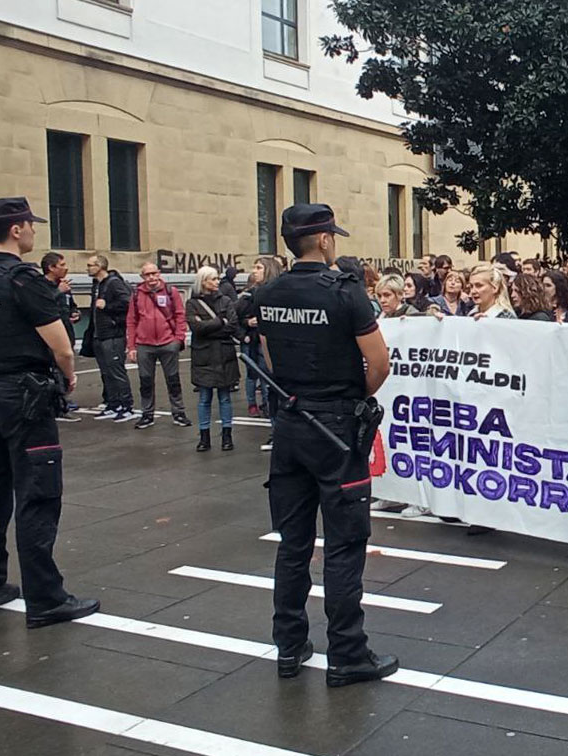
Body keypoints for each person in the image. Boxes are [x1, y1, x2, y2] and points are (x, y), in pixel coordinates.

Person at [254, 202, 397, 686]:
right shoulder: (345, 292)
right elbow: (379, 363)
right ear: (324, 240)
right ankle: (347, 654)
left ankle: (289, 646)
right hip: (336, 429)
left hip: (291, 423)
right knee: (344, 545)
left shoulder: (268, 291)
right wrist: (354, 396)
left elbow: (272, 360)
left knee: (293, 544)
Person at [0, 197, 100, 627]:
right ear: (16, 230)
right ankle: (45, 598)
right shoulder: (22, 279)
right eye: (30, 225)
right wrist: (68, 377)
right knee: (38, 491)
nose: (35, 231)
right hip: (25, 394)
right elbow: (61, 346)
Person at [127, 262, 191, 430]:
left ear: (159, 273)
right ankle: (147, 414)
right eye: (147, 275)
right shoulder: (136, 295)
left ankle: (179, 412)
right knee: (145, 381)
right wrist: (131, 347)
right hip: (144, 344)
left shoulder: (171, 291)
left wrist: (178, 339)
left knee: (173, 380)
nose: (151, 278)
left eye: (154, 273)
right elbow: (132, 321)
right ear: (142, 277)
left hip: (168, 342)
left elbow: (180, 315)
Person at [186, 266, 240, 452]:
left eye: (217, 278)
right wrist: (219, 322)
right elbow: (196, 328)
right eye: (213, 279)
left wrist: (208, 327)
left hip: (224, 354)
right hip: (204, 356)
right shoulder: (192, 303)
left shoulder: (225, 300)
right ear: (203, 281)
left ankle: (227, 436)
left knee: (225, 398)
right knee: (204, 398)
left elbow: (232, 325)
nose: (217, 282)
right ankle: (204, 437)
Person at [86, 254, 135, 422]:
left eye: (90, 265)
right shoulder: (97, 284)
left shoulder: (114, 283)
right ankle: (113, 404)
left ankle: (127, 406)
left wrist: (108, 306)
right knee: (106, 372)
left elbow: (127, 303)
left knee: (116, 371)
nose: (88, 268)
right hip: (99, 334)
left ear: (100, 266)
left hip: (113, 334)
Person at [236, 256, 282, 417]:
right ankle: (263, 408)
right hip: (256, 342)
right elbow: (236, 316)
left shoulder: (279, 293)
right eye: (254, 267)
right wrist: (247, 324)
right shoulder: (250, 294)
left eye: (258, 268)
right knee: (258, 376)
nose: (254, 271)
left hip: (275, 343)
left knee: (271, 380)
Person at [41, 253, 81, 422]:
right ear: (51, 268)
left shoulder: (64, 285)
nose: (66, 268)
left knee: (64, 371)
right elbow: (42, 304)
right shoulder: (42, 286)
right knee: (54, 371)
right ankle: (58, 407)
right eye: (62, 265)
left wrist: (75, 313)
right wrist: (58, 292)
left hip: (66, 332)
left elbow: (71, 305)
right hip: (51, 337)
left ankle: (62, 400)